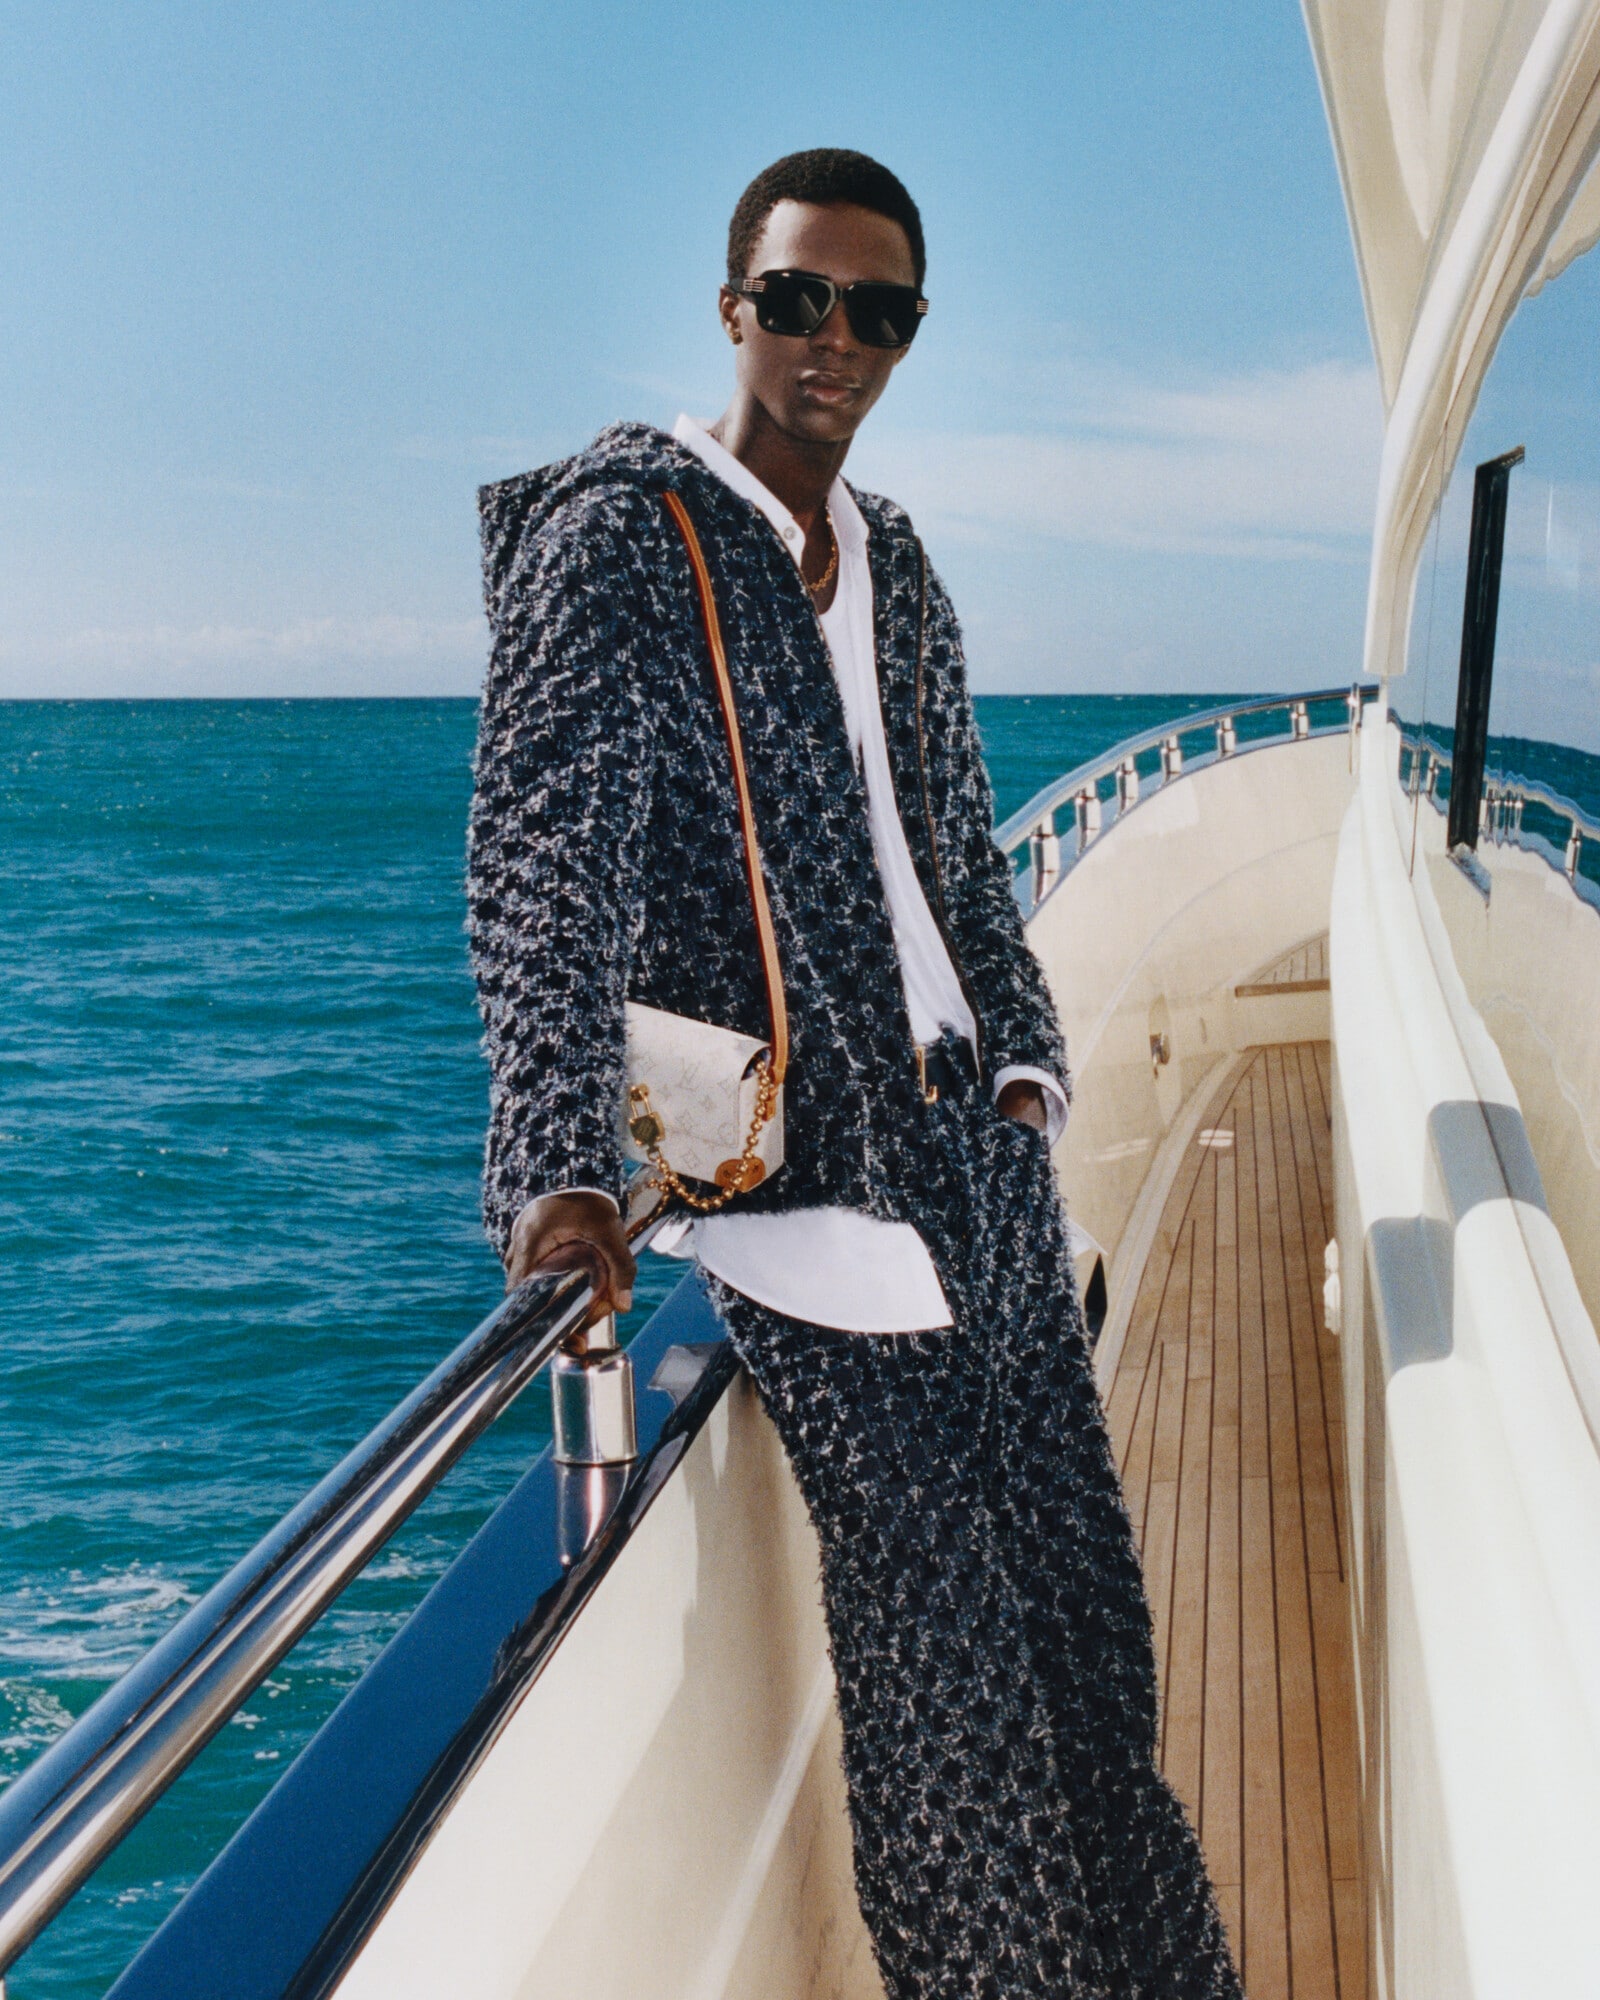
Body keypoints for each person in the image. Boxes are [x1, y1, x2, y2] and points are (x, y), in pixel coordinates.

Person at [467, 148, 1240, 2000]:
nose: (836, 340)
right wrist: (559, 1171)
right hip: (810, 1199)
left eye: (877, 311)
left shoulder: (893, 557)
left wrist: (1029, 1067)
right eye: (801, 298)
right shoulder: (621, 542)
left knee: (1086, 1646)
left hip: (977, 1154)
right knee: (948, 1698)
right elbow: (546, 867)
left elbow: (957, 844)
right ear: (733, 307)